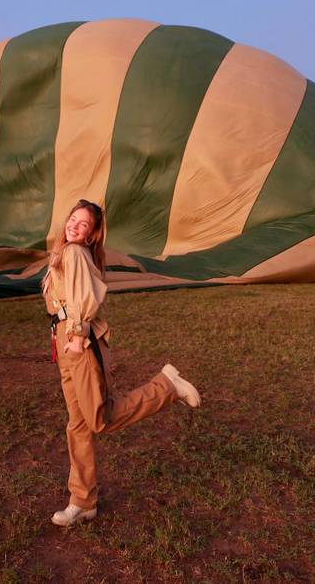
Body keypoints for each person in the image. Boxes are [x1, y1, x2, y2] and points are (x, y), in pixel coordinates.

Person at [43, 199, 201, 527]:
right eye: (73, 219)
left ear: (92, 234)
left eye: (83, 224)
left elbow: (85, 297)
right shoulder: (64, 251)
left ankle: (167, 386)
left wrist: (76, 334)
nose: (74, 226)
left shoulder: (75, 253)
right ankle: (83, 502)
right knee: (78, 425)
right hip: (64, 338)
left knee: (100, 419)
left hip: (79, 342)